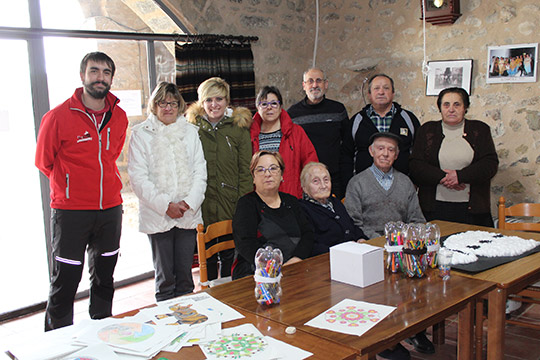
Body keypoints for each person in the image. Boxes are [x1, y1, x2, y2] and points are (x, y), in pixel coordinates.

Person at [35, 52, 128, 331]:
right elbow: (44, 161)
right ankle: (56, 343)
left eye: (106, 72)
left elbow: (112, 156)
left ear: (111, 78)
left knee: (104, 278)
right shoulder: (58, 116)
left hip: (110, 210)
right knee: (65, 279)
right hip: (71, 212)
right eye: (94, 71)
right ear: (82, 76)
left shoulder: (119, 116)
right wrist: (70, 187)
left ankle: (101, 333)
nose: (100, 77)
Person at [344, 132, 433, 359]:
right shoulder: (357, 183)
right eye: (380, 148)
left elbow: (417, 219)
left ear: (396, 155)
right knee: (379, 291)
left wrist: (404, 243)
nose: (385, 153)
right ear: (371, 152)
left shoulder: (405, 183)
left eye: (391, 150)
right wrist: (383, 244)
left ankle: (415, 329)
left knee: (420, 281)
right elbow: (354, 223)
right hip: (372, 248)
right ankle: (384, 341)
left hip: (404, 249)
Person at [128, 82, 207, 301]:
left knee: (185, 277)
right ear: (154, 106)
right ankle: (167, 326)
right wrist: (166, 206)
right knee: (165, 280)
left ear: (180, 106)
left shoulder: (191, 132)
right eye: (162, 103)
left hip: (187, 212)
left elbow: (200, 171)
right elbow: (138, 178)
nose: (168, 108)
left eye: (172, 103)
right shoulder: (141, 134)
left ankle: (189, 324)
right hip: (158, 214)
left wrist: (188, 202)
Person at [186, 77, 253, 281]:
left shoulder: (238, 128)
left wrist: (243, 203)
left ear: (227, 101)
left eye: (219, 99)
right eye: (208, 100)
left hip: (230, 201)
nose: (213, 105)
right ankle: (209, 295)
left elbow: (245, 170)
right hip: (202, 202)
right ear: (201, 102)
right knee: (207, 254)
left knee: (228, 253)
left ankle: (227, 294)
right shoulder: (191, 127)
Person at [409, 87, 498, 227]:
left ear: (465, 107)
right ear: (440, 108)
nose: (451, 109)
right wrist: (443, 177)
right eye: (446, 104)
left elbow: (489, 165)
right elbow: (416, 166)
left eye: (457, 104)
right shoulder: (427, 130)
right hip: (433, 209)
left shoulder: (480, 130)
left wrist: (459, 176)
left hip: (473, 211)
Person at [232, 151, 314, 280]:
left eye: (273, 168)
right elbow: (245, 244)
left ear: (281, 174)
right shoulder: (247, 204)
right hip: (259, 273)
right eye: (260, 170)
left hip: (295, 268)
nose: (268, 174)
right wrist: (272, 267)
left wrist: (296, 260)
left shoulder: (291, 201)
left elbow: (308, 233)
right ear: (253, 177)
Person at [341, 73, 420, 189]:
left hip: (401, 188)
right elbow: (346, 155)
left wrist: (414, 182)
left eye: (386, 88)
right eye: (376, 88)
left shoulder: (408, 119)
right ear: (369, 94)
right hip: (364, 188)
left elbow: (418, 154)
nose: (381, 92)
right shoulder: (357, 121)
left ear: (393, 93)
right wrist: (349, 185)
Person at [287, 68, 349, 198]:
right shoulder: (292, 114)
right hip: (304, 181)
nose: (314, 85)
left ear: (326, 84)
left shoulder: (338, 110)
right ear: (304, 86)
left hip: (333, 180)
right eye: (310, 81)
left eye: (319, 81)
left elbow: (347, 145)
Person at [250, 86, 318, 198]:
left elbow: (310, 163)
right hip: (259, 198)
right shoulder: (250, 135)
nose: (269, 108)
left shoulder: (296, 132)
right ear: (257, 107)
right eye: (264, 104)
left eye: (274, 103)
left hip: (291, 195)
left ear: (281, 107)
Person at [299, 162, 366, 256]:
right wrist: (342, 252)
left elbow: (351, 225)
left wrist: (360, 238)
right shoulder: (302, 209)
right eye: (316, 181)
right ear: (305, 188)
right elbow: (312, 245)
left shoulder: (335, 202)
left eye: (326, 180)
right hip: (328, 260)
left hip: (353, 254)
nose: (323, 186)